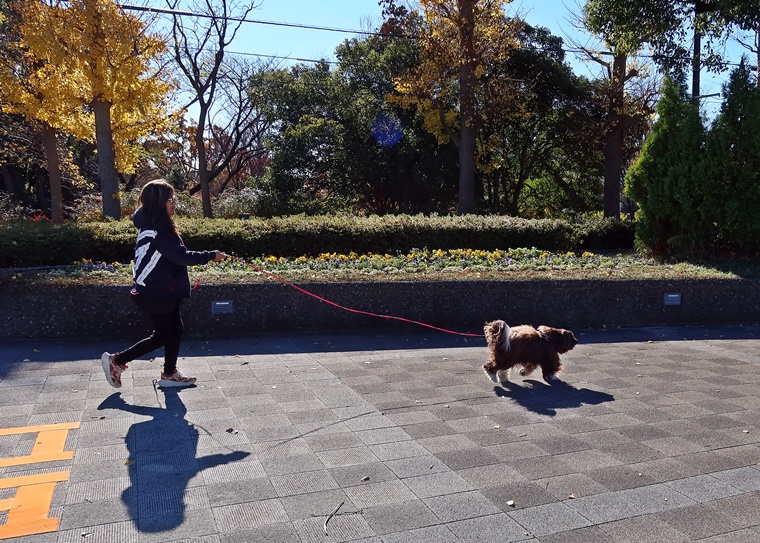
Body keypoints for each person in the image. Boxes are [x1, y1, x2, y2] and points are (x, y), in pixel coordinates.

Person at [101, 179, 226, 388]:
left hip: (163, 289)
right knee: (163, 335)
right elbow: (180, 256)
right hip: (156, 291)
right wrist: (211, 255)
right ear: (159, 203)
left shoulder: (153, 224)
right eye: (170, 199)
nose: (174, 202)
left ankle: (169, 373)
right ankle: (118, 360)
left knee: (175, 329)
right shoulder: (159, 228)